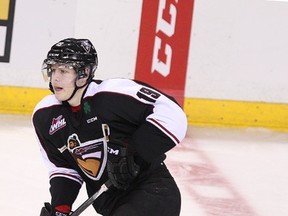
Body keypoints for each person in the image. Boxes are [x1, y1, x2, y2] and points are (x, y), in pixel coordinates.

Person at [32, 38, 188, 216]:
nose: (56, 77)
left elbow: (172, 113)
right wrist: (61, 208)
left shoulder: (112, 94)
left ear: (84, 73)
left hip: (152, 192)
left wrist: (135, 153)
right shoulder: (45, 116)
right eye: (52, 70)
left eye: (64, 71)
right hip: (110, 203)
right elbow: (63, 168)